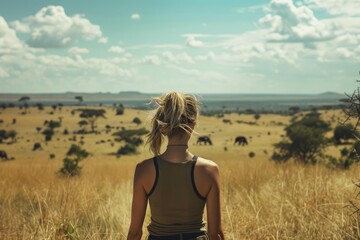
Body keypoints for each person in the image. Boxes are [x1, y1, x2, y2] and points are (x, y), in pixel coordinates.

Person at [126, 92, 224, 240]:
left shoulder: (144, 169)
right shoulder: (209, 170)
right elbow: (214, 234)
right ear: (192, 124)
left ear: (164, 126)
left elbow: (135, 232)